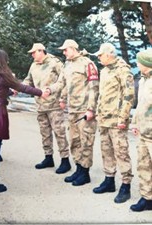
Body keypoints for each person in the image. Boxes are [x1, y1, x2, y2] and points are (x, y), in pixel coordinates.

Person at [0, 49, 49, 193]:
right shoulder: (3, 74)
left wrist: (9, 92)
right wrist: (41, 92)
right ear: (3, 60)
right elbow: (22, 87)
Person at [50, 39, 99, 186]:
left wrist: (91, 108)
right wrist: (61, 97)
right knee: (74, 140)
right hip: (72, 109)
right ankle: (78, 168)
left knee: (86, 141)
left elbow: (94, 87)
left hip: (84, 110)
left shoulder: (87, 63)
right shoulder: (67, 65)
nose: (63, 53)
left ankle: (85, 172)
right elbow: (63, 83)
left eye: (65, 50)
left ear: (73, 48)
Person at [92, 43, 134, 204]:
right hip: (104, 119)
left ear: (109, 55)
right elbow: (102, 95)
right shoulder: (105, 70)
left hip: (117, 120)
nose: (99, 57)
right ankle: (109, 180)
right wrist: (97, 112)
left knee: (121, 152)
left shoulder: (123, 71)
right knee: (106, 151)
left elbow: (129, 96)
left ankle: (126, 185)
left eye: (101, 55)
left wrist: (123, 118)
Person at [23, 43, 70, 173]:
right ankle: (48, 157)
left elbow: (64, 81)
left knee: (59, 132)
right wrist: (18, 88)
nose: (32, 55)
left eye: (34, 52)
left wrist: (63, 98)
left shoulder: (55, 63)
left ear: (41, 51)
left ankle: (65, 160)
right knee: (45, 133)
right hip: (40, 105)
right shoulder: (33, 65)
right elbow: (28, 81)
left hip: (54, 105)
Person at [129, 49, 152, 211]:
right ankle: (147, 198)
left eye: (139, 62)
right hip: (143, 132)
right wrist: (134, 123)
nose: (137, 64)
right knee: (143, 165)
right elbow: (139, 105)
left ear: (146, 64)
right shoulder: (143, 80)